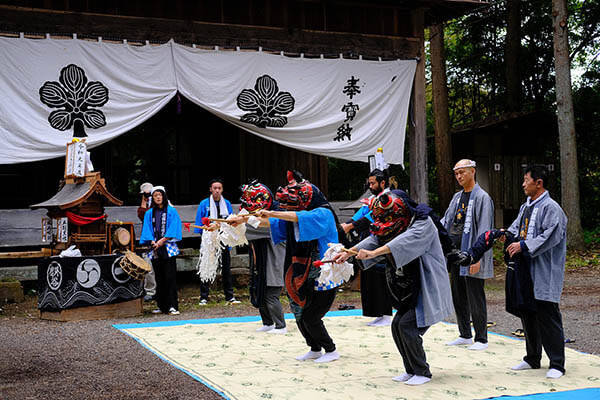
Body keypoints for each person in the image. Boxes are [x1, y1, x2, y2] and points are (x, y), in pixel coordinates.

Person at [335, 192, 453, 385]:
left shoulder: (422, 223)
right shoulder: (397, 224)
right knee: (397, 325)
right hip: (409, 286)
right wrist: (348, 253)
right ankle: (411, 370)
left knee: (407, 326)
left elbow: (402, 242)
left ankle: (422, 372)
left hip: (428, 285)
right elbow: (376, 239)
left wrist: (373, 253)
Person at [255, 170, 341, 363]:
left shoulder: (323, 213)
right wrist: (236, 222)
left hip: (324, 273)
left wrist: (272, 212)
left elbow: (293, 217)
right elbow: (269, 222)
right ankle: (314, 348)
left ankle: (331, 350)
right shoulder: (296, 216)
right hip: (302, 270)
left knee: (311, 316)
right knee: (299, 312)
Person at [505, 165, 567, 379]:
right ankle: (532, 358)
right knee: (528, 312)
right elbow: (515, 228)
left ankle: (557, 364)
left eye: (526, 180)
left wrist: (523, 246)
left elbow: (550, 236)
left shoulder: (552, 208)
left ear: (538, 183)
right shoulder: (526, 207)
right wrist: (504, 235)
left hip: (544, 269)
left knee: (548, 314)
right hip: (526, 270)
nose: (523, 184)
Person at [441, 159, 494, 351]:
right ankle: (464, 333)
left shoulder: (482, 197)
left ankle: (481, 338)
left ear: (473, 171)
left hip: (471, 253)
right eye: (456, 173)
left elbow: (485, 229)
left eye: (462, 172)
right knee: (458, 294)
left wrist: (477, 256)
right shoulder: (456, 197)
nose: (459, 176)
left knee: (475, 295)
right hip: (455, 253)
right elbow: (446, 220)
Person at [228, 180, 287, 334]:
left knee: (271, 294)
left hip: (274, 261)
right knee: (258, 289)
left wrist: (233, 224)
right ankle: (267, 322)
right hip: (261, 259)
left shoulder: (274, 221)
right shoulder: (259, 219)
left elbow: (248, 228)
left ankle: (280, 325)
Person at [340, 169, 393, 327]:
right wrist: (346, 225)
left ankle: (386, 313)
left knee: (381, 275)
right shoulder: (371, 198)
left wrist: (350, 226)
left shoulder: (389, 198)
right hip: (368, 239)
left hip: (382, 241)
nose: (370, 186)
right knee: (369, 275)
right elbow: (360, 215)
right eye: (369, 183)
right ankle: (377, 313)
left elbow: (371, 217)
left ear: (382, 183)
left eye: (373, 183)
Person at [194, 178, 240, 305]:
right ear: (210, 189)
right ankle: (204, 296)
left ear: (222, 190)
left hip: (223, 237)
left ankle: (229, 296)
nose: (217, 190)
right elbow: (199, 222)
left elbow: (231, 221)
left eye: (219, 188)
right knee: (206, 266)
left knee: (226, 268)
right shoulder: (204, 204)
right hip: (209, 238)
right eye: (215, 188)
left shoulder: (227, 204)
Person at [139, 186, 182, 315]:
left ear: (164, 196)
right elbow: (146, 229)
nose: (158, 197)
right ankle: (162, 305)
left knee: (170, 277)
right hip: (155, 249)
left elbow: (174, 227)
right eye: (155, 195)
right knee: (159, 277)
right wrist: (152, 241)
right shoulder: (149, 213)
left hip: (168, 247)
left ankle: (172, 305)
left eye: (160, 195)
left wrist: (162, 240)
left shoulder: (172, 211)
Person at [137, 182, 157, 302]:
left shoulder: (163, 205)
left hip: (162, 240)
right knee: (149, 268)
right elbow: (142, 215)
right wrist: (144, 199)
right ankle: (150, 291)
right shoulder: (146, 208)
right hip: (149, 241)